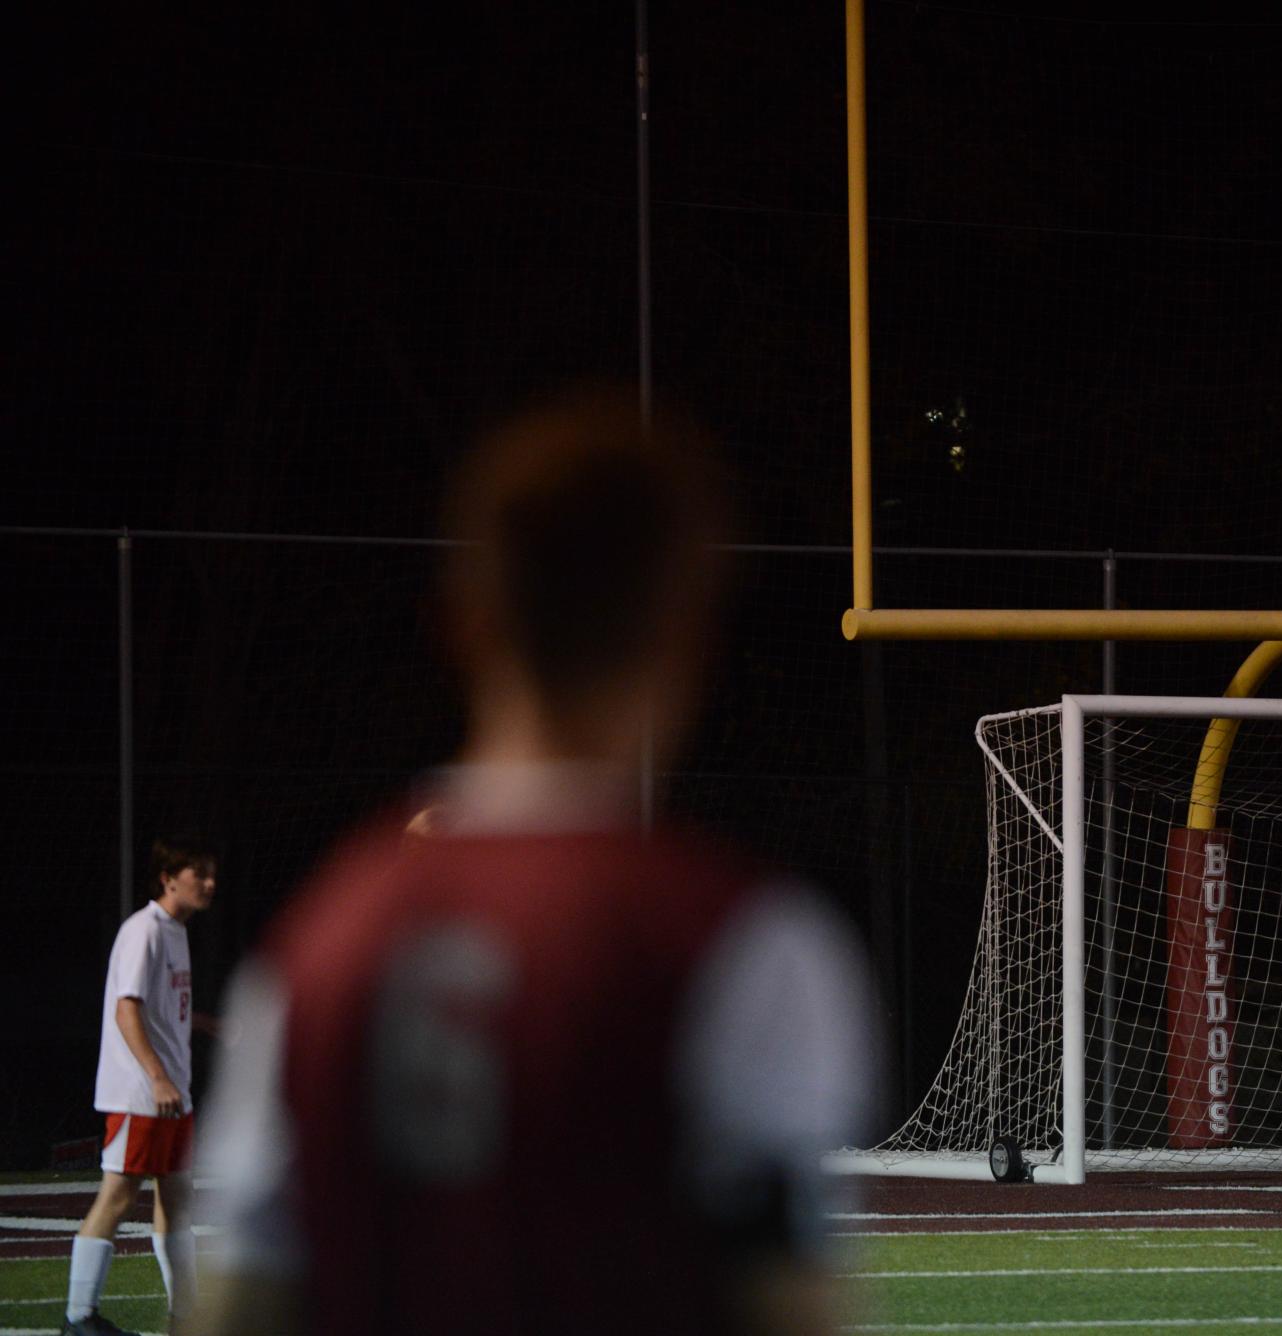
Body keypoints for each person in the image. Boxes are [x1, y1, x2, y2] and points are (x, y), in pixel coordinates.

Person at [195, 388, 881, 1335]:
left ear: (466, 623)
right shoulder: (741, 936)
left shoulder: (321, 937)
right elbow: (783, 1302)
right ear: (687, 639)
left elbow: (242, 1297)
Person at [61, 838, 218, 1336]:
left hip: (172, 1094)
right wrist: (156, 1077)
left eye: (212, 874)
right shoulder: (143, 931)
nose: (210, 883)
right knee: (119, 1196)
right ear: (169, 878)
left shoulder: (176, 933)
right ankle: (78, 1317)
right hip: (143, 1093)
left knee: (177, 1199)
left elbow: (166, 1013)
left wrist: (218, 1028)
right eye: (200, 873)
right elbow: (126, 1008)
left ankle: (187, 1315)